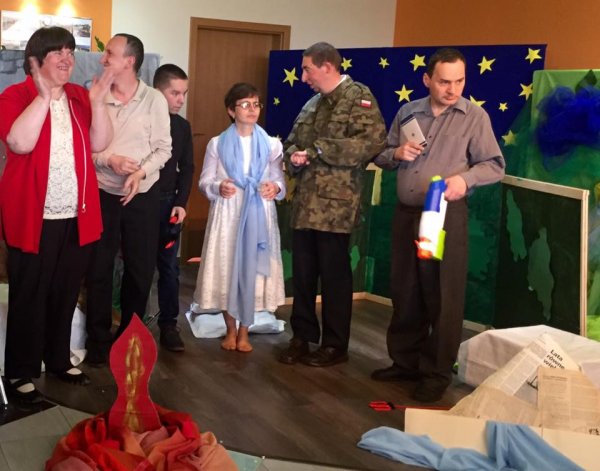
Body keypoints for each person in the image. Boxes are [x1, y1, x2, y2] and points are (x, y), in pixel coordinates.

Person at [372, 48, 505, 402]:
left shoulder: (474, 117)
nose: (452, 89)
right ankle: (405, 362)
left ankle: (436, 372)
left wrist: (465, 179)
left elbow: (494, 165)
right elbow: (382, 154)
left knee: (443, 293)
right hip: (407, 213)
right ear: (427, 79)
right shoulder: (408, 112)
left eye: (459, 81)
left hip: (445, 216)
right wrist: (396, 154)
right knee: (405, 289)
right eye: (444, 81)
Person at [0, 26, 113, 402]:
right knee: (29, 294)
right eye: (57, 52)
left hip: (76, 214)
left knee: (65, 291)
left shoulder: (79, 96)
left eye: (70, 51)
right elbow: (19, 142)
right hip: (33, 217)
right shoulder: (15, 96)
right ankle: (20, 370)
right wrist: (44, 96)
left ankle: (58, 358)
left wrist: (98, 102)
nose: (67, 58)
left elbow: (100, 142)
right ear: (36, 60)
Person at [279, 42, 386, 367]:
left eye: (307, 69)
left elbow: (370, 143)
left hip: (336, 209)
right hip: (305, 204)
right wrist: (294, 156)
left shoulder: (358, 97)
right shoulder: (312, 104)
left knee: (335, 278)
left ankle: (335, 345)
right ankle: (302, 337)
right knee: (303, 276)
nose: (303, 77)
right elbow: (291, 142)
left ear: (327, 66)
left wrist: (318, 150)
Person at [85, 33, 172, 367]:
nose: (103, 58)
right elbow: (85, 148)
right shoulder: (95, 94)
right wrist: (110, 160)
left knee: (139, 270)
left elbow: (163, 149)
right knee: (98, 268)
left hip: (142, 195)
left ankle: (130, 339)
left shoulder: (154, 100)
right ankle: (97, 340)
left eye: (110, 53)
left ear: (129, 61)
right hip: (102, 192)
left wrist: (141, 172)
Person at [192, 82, 285, 353]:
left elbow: (279, 180)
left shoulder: (272, 144)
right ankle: (230, 330)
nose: (252, 109)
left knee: (252, 271)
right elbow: (205, 181)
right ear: (231, 111)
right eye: (245, 104)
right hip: (228, 212)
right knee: (227, 268)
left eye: (256, 104)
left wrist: (274, 188)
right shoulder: (217, 143)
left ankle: (245, 331)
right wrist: (218, 187)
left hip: (259, 212)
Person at [152, 64, 194, 352]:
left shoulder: (182, 127)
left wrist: (181, 202)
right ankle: (130, 324)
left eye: (184, 94)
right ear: (157, 91)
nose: (180, 99)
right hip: (141, 204)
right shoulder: (141, 120)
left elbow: (187, 167)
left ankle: (169, 324)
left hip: (169, 203)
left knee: (169, 267)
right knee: (137, 267)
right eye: (174, 93)